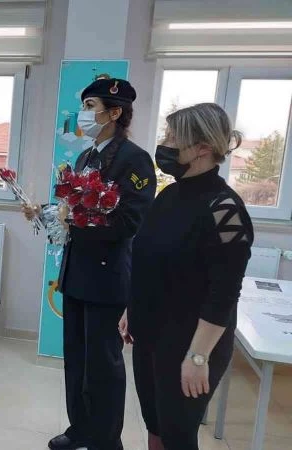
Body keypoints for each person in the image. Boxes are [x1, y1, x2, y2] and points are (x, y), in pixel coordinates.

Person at [22, 78, 156, 450]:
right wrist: (45, 213)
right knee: (77, 361)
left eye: (90, 106)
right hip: (76, 272)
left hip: (106, 277)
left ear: (114, 113)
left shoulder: (134, 160)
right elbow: (71, 212)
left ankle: (106, 441)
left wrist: (76, 221)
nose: (83, 113)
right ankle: (80, 428)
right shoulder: (84, 158)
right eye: (83, 105)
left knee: (103, 366)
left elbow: (131, 222)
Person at [121, 103, 253, 450]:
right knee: (155, 423)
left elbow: (224, 295)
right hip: (151, 333)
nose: (164, 144)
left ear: (202, 148)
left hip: (190, 344)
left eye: (172, 138)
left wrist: (198, 357)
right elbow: (149, 260)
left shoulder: (226, 210)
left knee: (178, 434)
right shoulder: (169, 195)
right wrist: (131, 309)